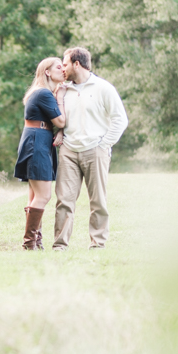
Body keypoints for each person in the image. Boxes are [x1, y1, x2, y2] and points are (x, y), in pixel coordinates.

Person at [52, 47, 128, 250]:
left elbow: (120, 120)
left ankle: (98, 244)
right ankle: (59, 245)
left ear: (77, 64)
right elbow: (60, 119)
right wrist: (60, 133)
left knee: (98, 201)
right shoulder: (63, 90)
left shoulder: (104, 88)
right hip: (68, 151)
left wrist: (104, 144)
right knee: (64, 201)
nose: (62, 67)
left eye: (65, 63)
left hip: (96, 150)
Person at [14, 57, 67, 250]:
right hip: (37, 143)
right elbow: (60, 121)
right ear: (47, 71)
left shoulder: (41, 92)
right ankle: (29, 244)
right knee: (43, 196)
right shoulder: (44, 93)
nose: (63, 70)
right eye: (59, 67)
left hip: (37, 140)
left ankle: (35, 242)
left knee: (34, 196)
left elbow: (55, 124)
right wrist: (60, 97)